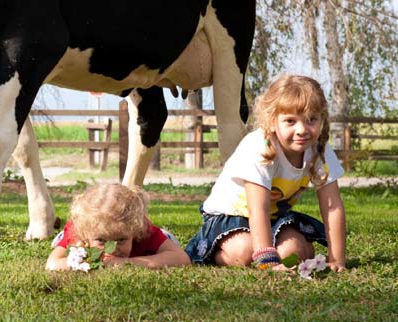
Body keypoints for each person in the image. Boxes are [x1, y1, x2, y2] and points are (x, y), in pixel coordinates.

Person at [185, 75, 347, 272]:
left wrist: (337, 259)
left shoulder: (319, 149)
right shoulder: (260, 147)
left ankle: (293, 247)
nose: (302, 129)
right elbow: (257, 209)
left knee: (292, 252)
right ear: (271, 121)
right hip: (229, 216)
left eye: (311, 119)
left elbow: (332, 206)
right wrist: (269, 262)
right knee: (245, 251)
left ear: (322, 119)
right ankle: (213, 251)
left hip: (273, 218)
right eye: (290, 121)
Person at [45, 183, 191, 270]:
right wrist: (87, 263)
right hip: (77, 235)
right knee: (63, 242)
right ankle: (61, 238)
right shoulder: (79, 230)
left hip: (147, 239)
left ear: (134, 232)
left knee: (170, 239)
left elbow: (181, 258)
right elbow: (52, 265)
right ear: (85, 235)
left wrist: (127, 263)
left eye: (121, 240)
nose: (113, 248)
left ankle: (164, 235)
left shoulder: (141, 228)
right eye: (101, 240)